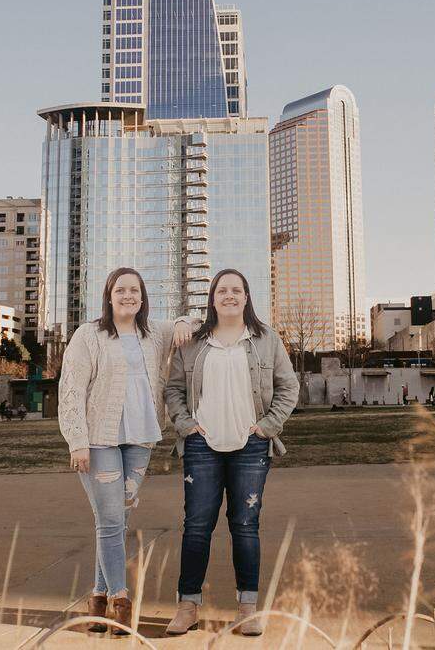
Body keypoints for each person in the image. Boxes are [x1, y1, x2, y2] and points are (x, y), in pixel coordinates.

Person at [58, 267, 194, 635]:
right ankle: (120, 600)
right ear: (109, 295)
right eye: (121, 290)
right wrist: (77, 441)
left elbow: (194, 321)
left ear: (143, 297)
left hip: (140, 439)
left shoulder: (154, 334)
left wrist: (181, 319)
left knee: (118, 519)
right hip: (98, 441)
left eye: (135, 290)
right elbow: (70, 390)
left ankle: (98, 597)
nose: (128, 296)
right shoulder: (89, 335)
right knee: (110, 520)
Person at [164, 269, 299, 638]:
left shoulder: (265, 339)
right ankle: (187, 606)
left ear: (246, 296)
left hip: (251, 447)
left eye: (236, 290)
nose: (229, 295)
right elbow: (173, 389)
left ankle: (247, 609)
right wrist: (186, 425)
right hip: (201, 446)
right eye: (222, 290)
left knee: (245, 527)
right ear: (212, 298)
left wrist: (267, 427)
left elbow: (289, 387)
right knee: (196, 527)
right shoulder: (193, 341)